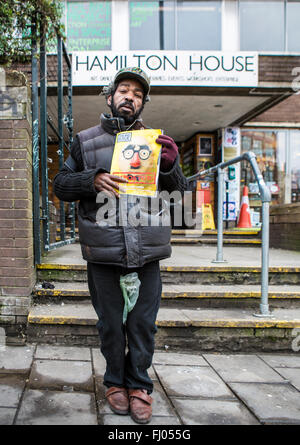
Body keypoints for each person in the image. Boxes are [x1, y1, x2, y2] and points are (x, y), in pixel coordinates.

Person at [53, 67, 188, 424]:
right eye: (124, 90)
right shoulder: (85, 141)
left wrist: (172, 167)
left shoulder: (158, 143)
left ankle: (140, 385)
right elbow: (61, 186)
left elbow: (181, 198)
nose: (131, 97)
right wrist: (91, 179)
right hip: (104, 251)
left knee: (143, 323)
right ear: (110, 95)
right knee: (111, 323)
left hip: (147, 250)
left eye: (139, 94)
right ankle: (115, 382)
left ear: (142, 104)